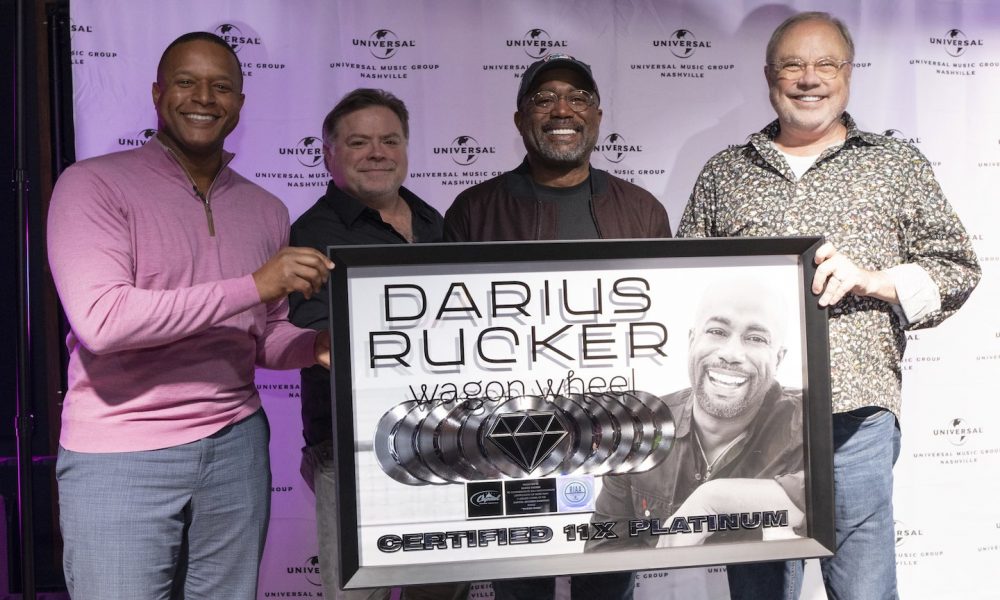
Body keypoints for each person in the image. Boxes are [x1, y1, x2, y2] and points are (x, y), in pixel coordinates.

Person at [677, 12, 980, 599]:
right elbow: (687, 288)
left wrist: (873, 280)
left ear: (848, 74)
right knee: (760, 593)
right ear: (770, 76)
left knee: (864, 591)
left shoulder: (894, 164)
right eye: (793, 65)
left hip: (854, 423)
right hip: (749, 431)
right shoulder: (724, 173)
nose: (808, 78)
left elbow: (957, 269)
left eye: (825, 64)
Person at [47, 32, 333, 599]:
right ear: (158, 95)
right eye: (186, 81)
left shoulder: (264, 208)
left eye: (221, 85)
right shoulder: (92, 184)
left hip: (236, 444)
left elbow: (264, 336)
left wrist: (317, 346)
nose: (203, 96)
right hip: (121, 450)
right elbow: (103, 321)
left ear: (240, 103)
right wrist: (254, 283)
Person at [445, 53, 671, 600]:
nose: (561, 110)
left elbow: (663, 327)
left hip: (614, 438)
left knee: (608, 584)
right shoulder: (474, 210)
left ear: (597, 115)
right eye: (544, 99)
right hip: (513, 440)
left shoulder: (641, 211)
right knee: (522, 588)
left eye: (578, 98)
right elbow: (450, 338)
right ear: (521, 118)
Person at [288, 88, 469, 600]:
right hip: (353, 452)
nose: (377, 152)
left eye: (390, 140)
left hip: (447, 445)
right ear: (329, 153)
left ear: (407, 149)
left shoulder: (435, 222)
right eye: (359, 142)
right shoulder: (309, 235)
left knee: (442, 593)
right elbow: (312, 334)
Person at [586, 279, 804, 552]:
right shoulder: (636, 431)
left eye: (756, 338)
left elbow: (834, 494)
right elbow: (605, 552)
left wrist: (712, 499)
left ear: (778, 358)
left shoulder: (806, 422)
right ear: (692, 341)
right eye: (717, 331)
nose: (731, 354)